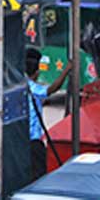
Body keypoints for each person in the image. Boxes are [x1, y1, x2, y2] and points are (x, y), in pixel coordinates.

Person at [26, 48, 72, 182]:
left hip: (22, 139)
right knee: (39, 175)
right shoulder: (33, 88)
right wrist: (67, 69)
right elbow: (52, 89)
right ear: (36, 73)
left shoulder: (20, 84)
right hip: (33, 140)